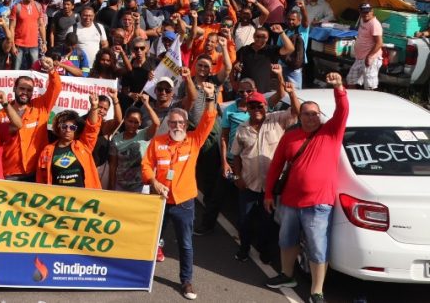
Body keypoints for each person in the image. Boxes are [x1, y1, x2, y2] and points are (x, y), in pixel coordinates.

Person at [263, 72, 348, 303]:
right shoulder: (290, 137)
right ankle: (287, 275)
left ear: (320, 116)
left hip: (319, 204)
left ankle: (316, 291)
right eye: (306, 114)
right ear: (299, 116)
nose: (310, 118)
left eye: (314, 114)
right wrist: (269, 193)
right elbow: (276, 167)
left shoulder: (331, 132)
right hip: (290, 201)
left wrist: (339, 87)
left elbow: (343, 111)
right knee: (286, 240)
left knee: (317, 248)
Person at [141, 80, 218, 301]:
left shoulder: (194, 141)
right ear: (169, 124)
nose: (176, 126)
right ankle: (141, 275)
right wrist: (153, 181)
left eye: (180, 123)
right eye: (173, 122)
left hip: (184, 203)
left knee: (185, 244)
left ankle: (186, 281)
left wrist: (211, 98)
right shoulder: (157, 143)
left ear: (186, 124)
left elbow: (209, 119)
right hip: (160, 201)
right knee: (151, 239)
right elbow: (146, 165)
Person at [230, 85, 300, 264]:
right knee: (244, 220)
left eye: (259, 106)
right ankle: (243, 248)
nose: (256, 110)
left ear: (266, 107)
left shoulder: (277, 120)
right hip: (248, 184)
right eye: (252, 106)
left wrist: (291, 92)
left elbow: (296, 112)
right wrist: (237, 177)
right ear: (247, 108)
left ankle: (264, 250)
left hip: (271, 186)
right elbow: (236, 156)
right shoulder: (242, 129)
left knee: (267, 222)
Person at [0, 68, 63, 181]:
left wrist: (51, 70)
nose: (25, 92)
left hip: (35, 170)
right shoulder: (2, 113)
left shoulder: (41, 106)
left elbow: (56, 87)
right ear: (14, 88)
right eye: (22, 88)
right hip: (9, 171)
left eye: (29, 90)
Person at [35, 94, 101, 188]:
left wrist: (94, 107)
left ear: (76, 130)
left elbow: (92, 128)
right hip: (58, 199)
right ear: (58, 128)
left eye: (72, 127)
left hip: (84, 199)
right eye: (64, 126)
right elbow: (40, 180)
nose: (68, 130)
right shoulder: (47, 151)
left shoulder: (84, 145)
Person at [108, 95, 160, 192]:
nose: (132, 125)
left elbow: (156, 123)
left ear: (140, 123)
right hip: (120, 186)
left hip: (141, 186)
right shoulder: (116, 140)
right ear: (125, 120)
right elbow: (113, 166)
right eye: (130, 121)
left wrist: (146, 104)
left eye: (136, 122)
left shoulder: (144, 134)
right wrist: (111, 186)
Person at [346, 3, 382, 90]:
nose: (366, 14)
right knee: (351, 80)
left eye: (368, 12)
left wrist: (369, 56)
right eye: (363, 12)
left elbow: (379, 43)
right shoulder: (362, 20)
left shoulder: (374, 24)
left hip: (370, 59)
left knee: (369, 86)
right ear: (360, 12)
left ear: (372, 11)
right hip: (359, 58)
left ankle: (370, 102)